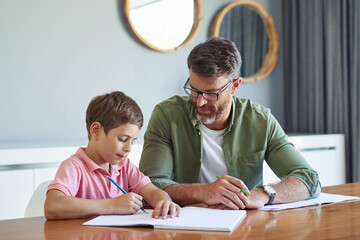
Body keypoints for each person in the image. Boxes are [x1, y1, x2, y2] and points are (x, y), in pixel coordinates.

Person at [139, 37, 321, 210]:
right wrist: (204, 192)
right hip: (184, 225)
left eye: (211, 93)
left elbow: (309, 179)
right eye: (194, 90)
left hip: (245, 224)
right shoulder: (167, 115)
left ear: (235, 86)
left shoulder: (261, 120)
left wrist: (264, 194)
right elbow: (149, 184)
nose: (200, 102)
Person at [45, 91, 180, 220]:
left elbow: (152, 192)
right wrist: (112, 205)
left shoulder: (125, 167)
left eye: (132, 142)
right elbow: (52, 206)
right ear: (96, 130)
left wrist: (164, 201)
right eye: (122, 139)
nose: (128, 148)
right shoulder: (74, 167)